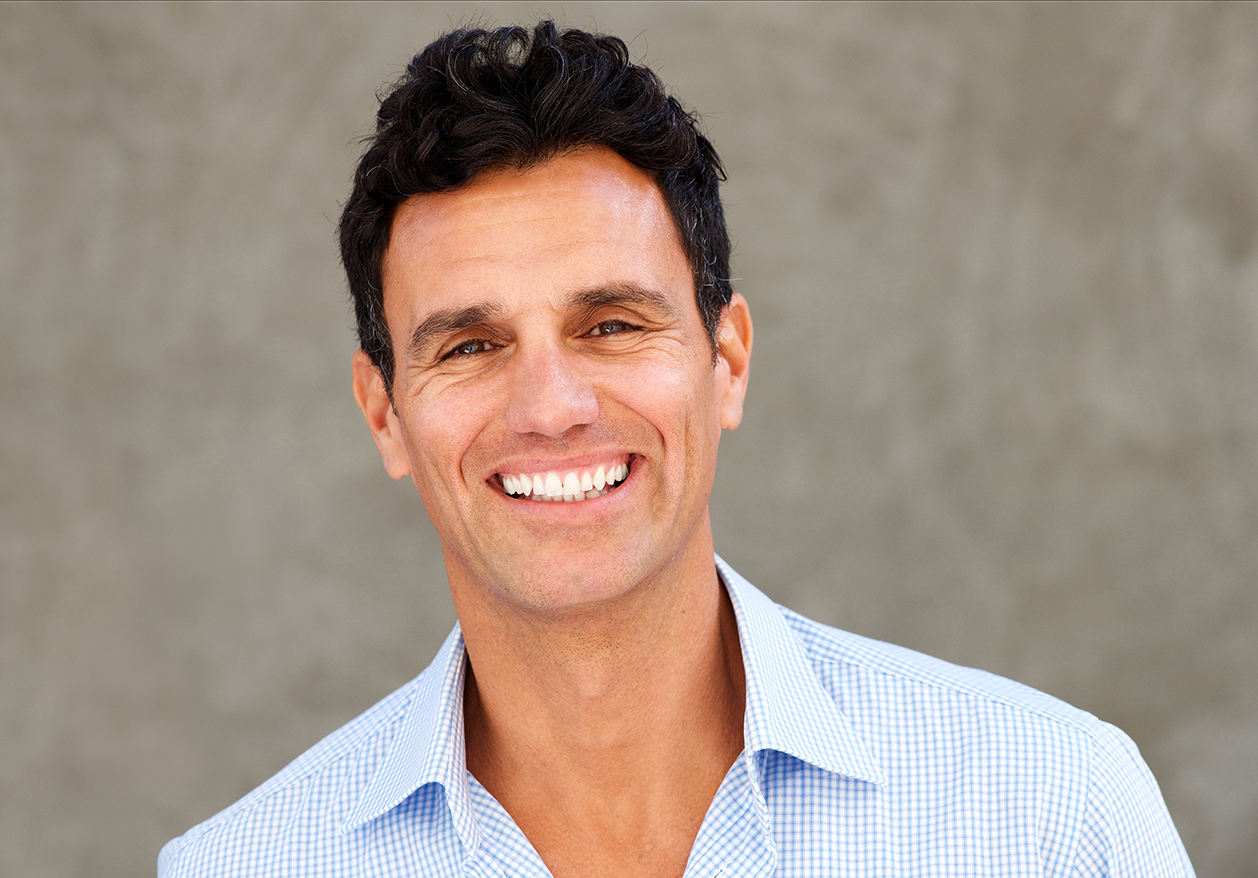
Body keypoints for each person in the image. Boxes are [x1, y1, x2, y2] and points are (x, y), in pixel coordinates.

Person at [159, 21, 1194, 878]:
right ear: (384, 412)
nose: (551, 407)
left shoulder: (1051, 813)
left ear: (726, 359)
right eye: (471, 345)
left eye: (610, 324)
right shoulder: (243, 865)